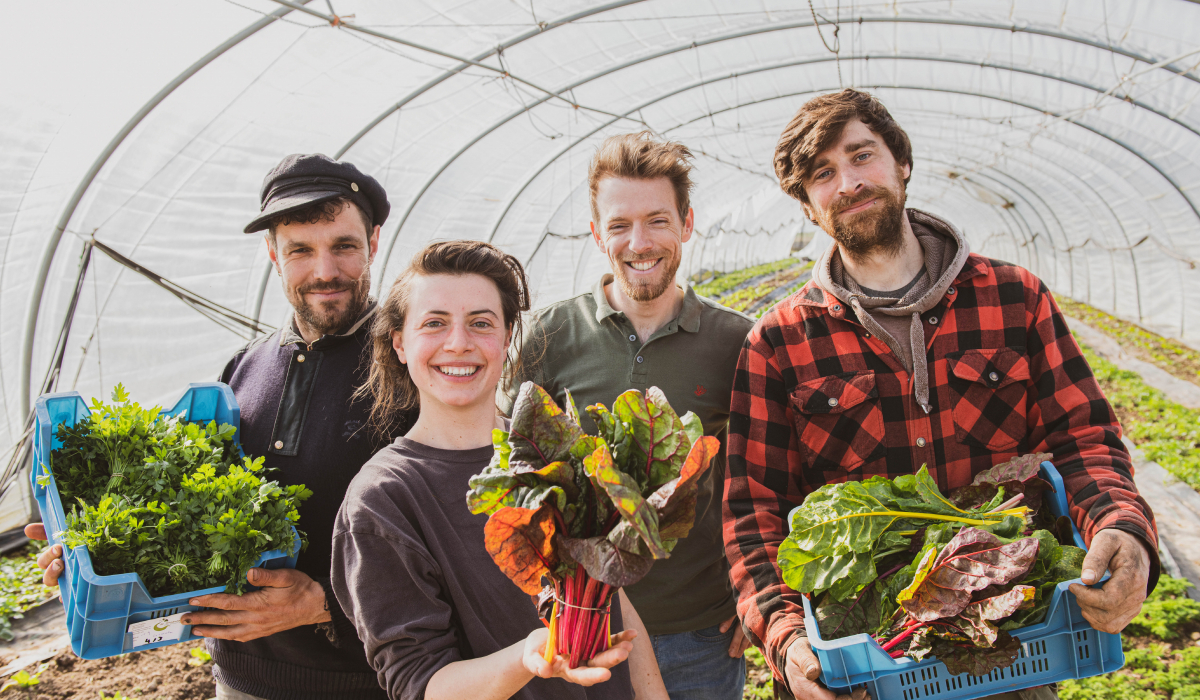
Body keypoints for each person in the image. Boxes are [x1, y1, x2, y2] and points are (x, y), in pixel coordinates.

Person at [723, 89, 1160, 700]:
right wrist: (788, 635)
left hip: (1012, 645)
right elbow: (755, 511)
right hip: (875, 657)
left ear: (901, 162)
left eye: (861, 157)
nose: (848, 182)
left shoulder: (1014, 299)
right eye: (823, 174)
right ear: (808, 205)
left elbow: (1083, 434)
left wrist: (1122, 525)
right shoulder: (778, 342)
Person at [29, 153, 414, 700]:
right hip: (239, 682)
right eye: (300, 250)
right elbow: (195, 523)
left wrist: (323, 602)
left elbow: (451, 541)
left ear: (373, 243)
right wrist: (93, 551)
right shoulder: (241, 371)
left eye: (344, 246)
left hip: (369, 681)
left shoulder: (409, 368)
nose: (324, 271)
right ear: (272, 255)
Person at [329, 240, 668, 700]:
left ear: (507, 337)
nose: (458, 343)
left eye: (480, 323)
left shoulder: (558, 451)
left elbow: (617, 606)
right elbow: (422, 686)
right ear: (400, 343)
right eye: (434, 323)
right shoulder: (383, 500)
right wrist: (529, 656)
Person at [501, 132, 754, 700]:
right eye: (619, 226)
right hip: (583, 630)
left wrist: (759, 597)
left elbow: (765, 480)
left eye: (657, 221)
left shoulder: (735, 340)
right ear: (596, 234)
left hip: (700, 634)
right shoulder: (547, 337)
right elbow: (511, 477)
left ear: (687, 224)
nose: (639, 243)